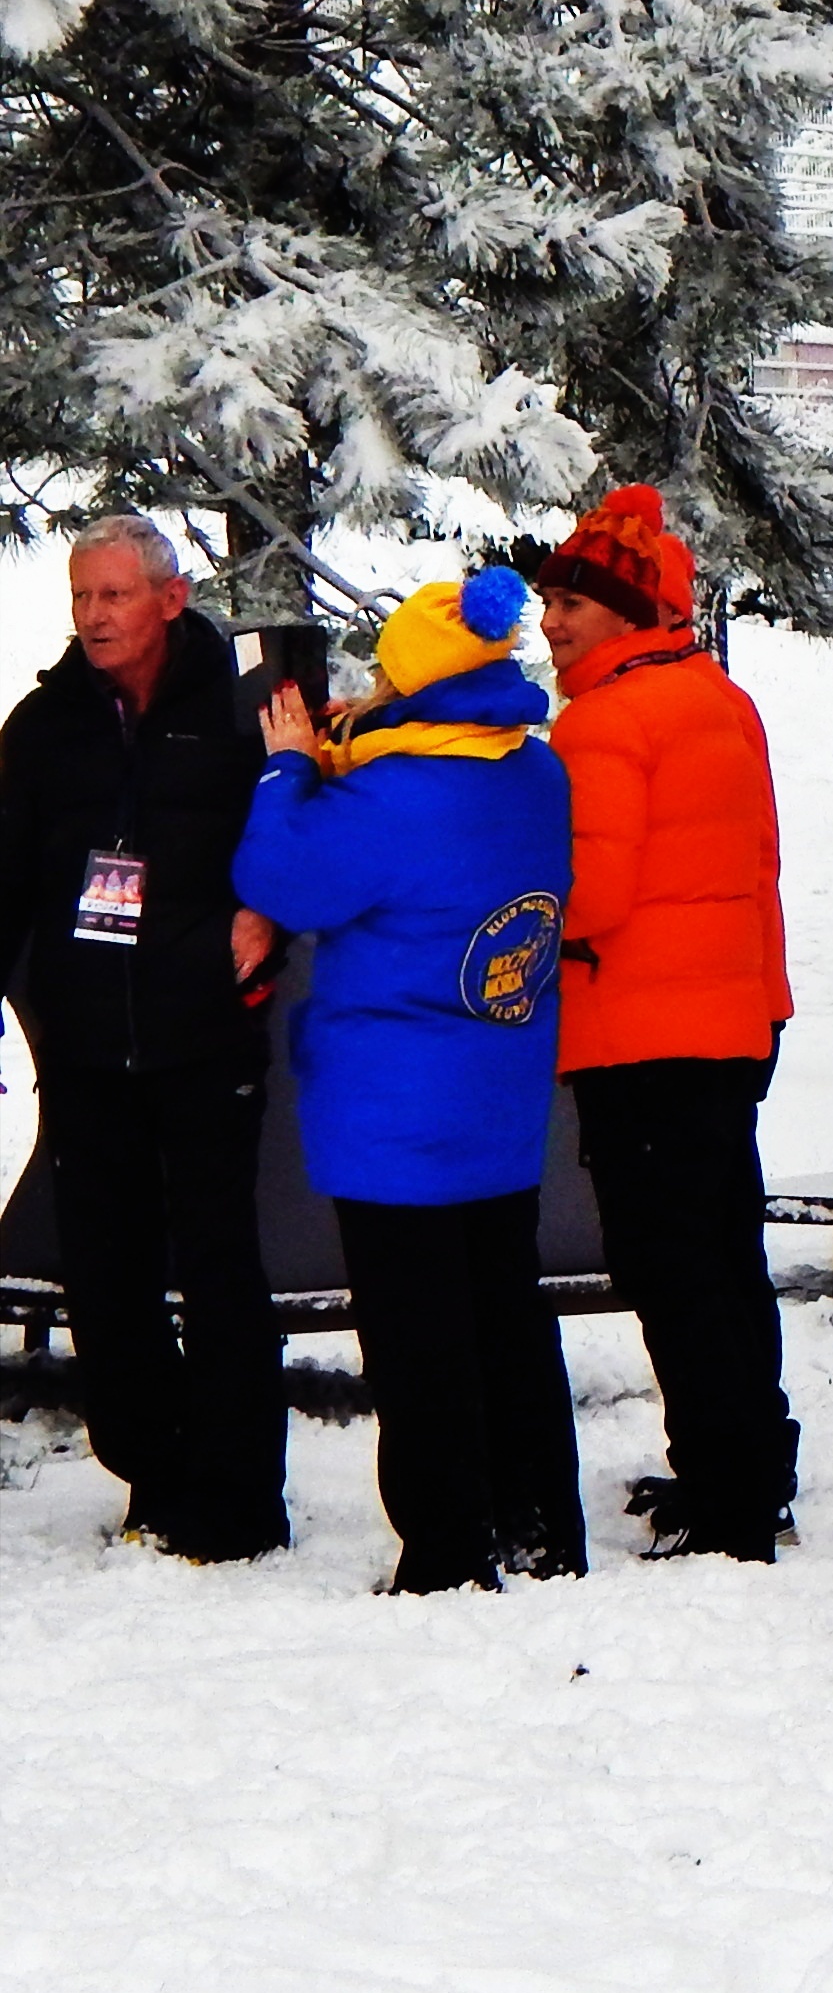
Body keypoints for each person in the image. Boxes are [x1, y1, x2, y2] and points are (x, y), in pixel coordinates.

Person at [234, 570, 581, 1592]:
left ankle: (445, 1550)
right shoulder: (534, 775)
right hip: (500, 1097)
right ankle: (543, 1527)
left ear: (418, 684)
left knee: (417, 1338)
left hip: (396, 1119)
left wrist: (290, 769)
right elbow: (422, 786)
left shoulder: (388, 799)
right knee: (506, 1317)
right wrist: (362, 745)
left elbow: (282, 878)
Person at [0, 513, 284, 1558]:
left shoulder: (242, 709)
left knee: (218, 1270)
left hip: (206, 1034)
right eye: (80, 597)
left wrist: (273, 914)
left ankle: (241, 1496)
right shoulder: (42, 726)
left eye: (113, 596)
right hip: (84, 1046)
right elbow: (8, 879)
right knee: (108, 1276)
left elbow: (302, 832)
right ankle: (153, 1476)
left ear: (171, 598)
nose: (92, 617)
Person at [532, 487, 799, 1563]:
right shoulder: (714, 695)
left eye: (570, 604)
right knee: (726, 1257)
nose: (551, 621)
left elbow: (586, 896)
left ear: (627, 613)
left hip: (645, 1032)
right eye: (549, 599)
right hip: (730, 1016)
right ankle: (745, 1471)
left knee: (671, 1268)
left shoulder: (605, 719)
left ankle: (728, 1501)